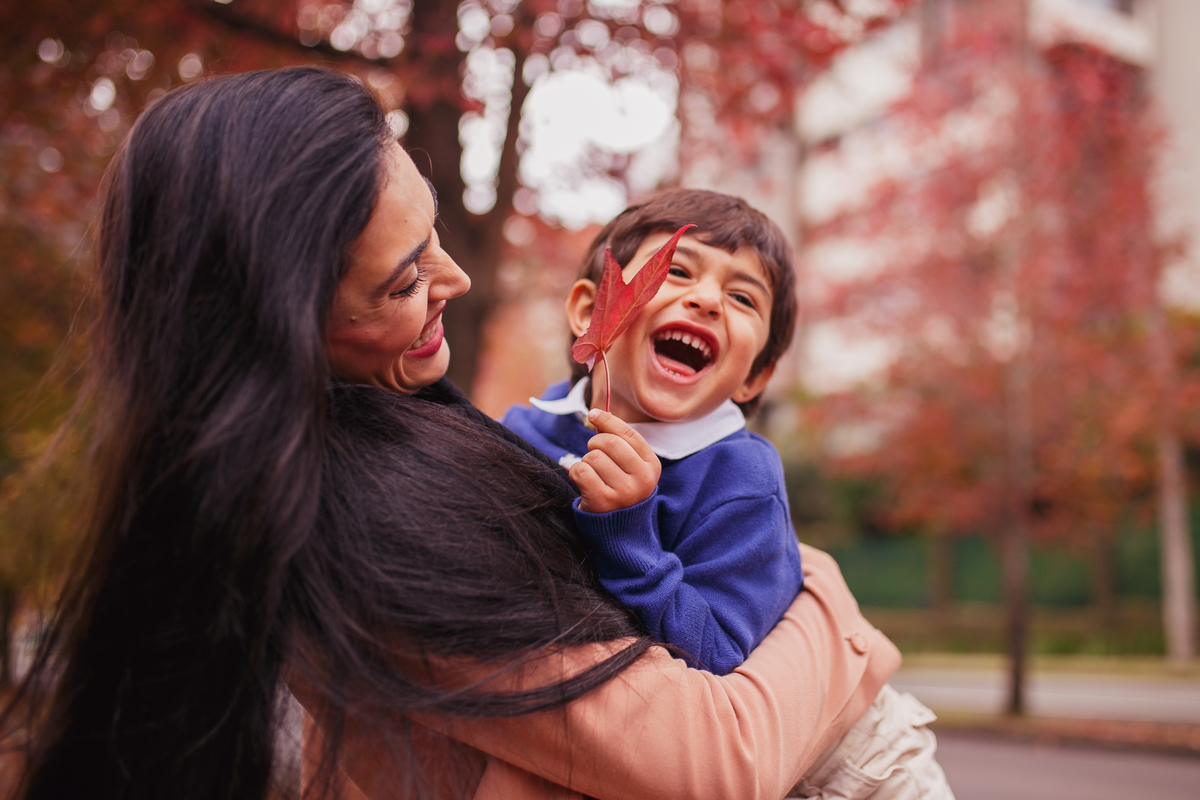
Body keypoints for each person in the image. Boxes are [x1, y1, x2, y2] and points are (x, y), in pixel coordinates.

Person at [7, 67, 900, 800]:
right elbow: (718, 757)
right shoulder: (365, 523)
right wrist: (827, 600)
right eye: (402, 281)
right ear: (278, 325)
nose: (459, 279)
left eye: (433, 230)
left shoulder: (405, 442)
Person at [503, 190, 955, 798]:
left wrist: (629, 533)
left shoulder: (742, 482)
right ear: (590, 309)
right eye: (677, 270)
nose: (707, 299)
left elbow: (720, 659)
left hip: (850, 767)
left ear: (755, 375)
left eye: (742, 297)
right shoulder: (524, 433)